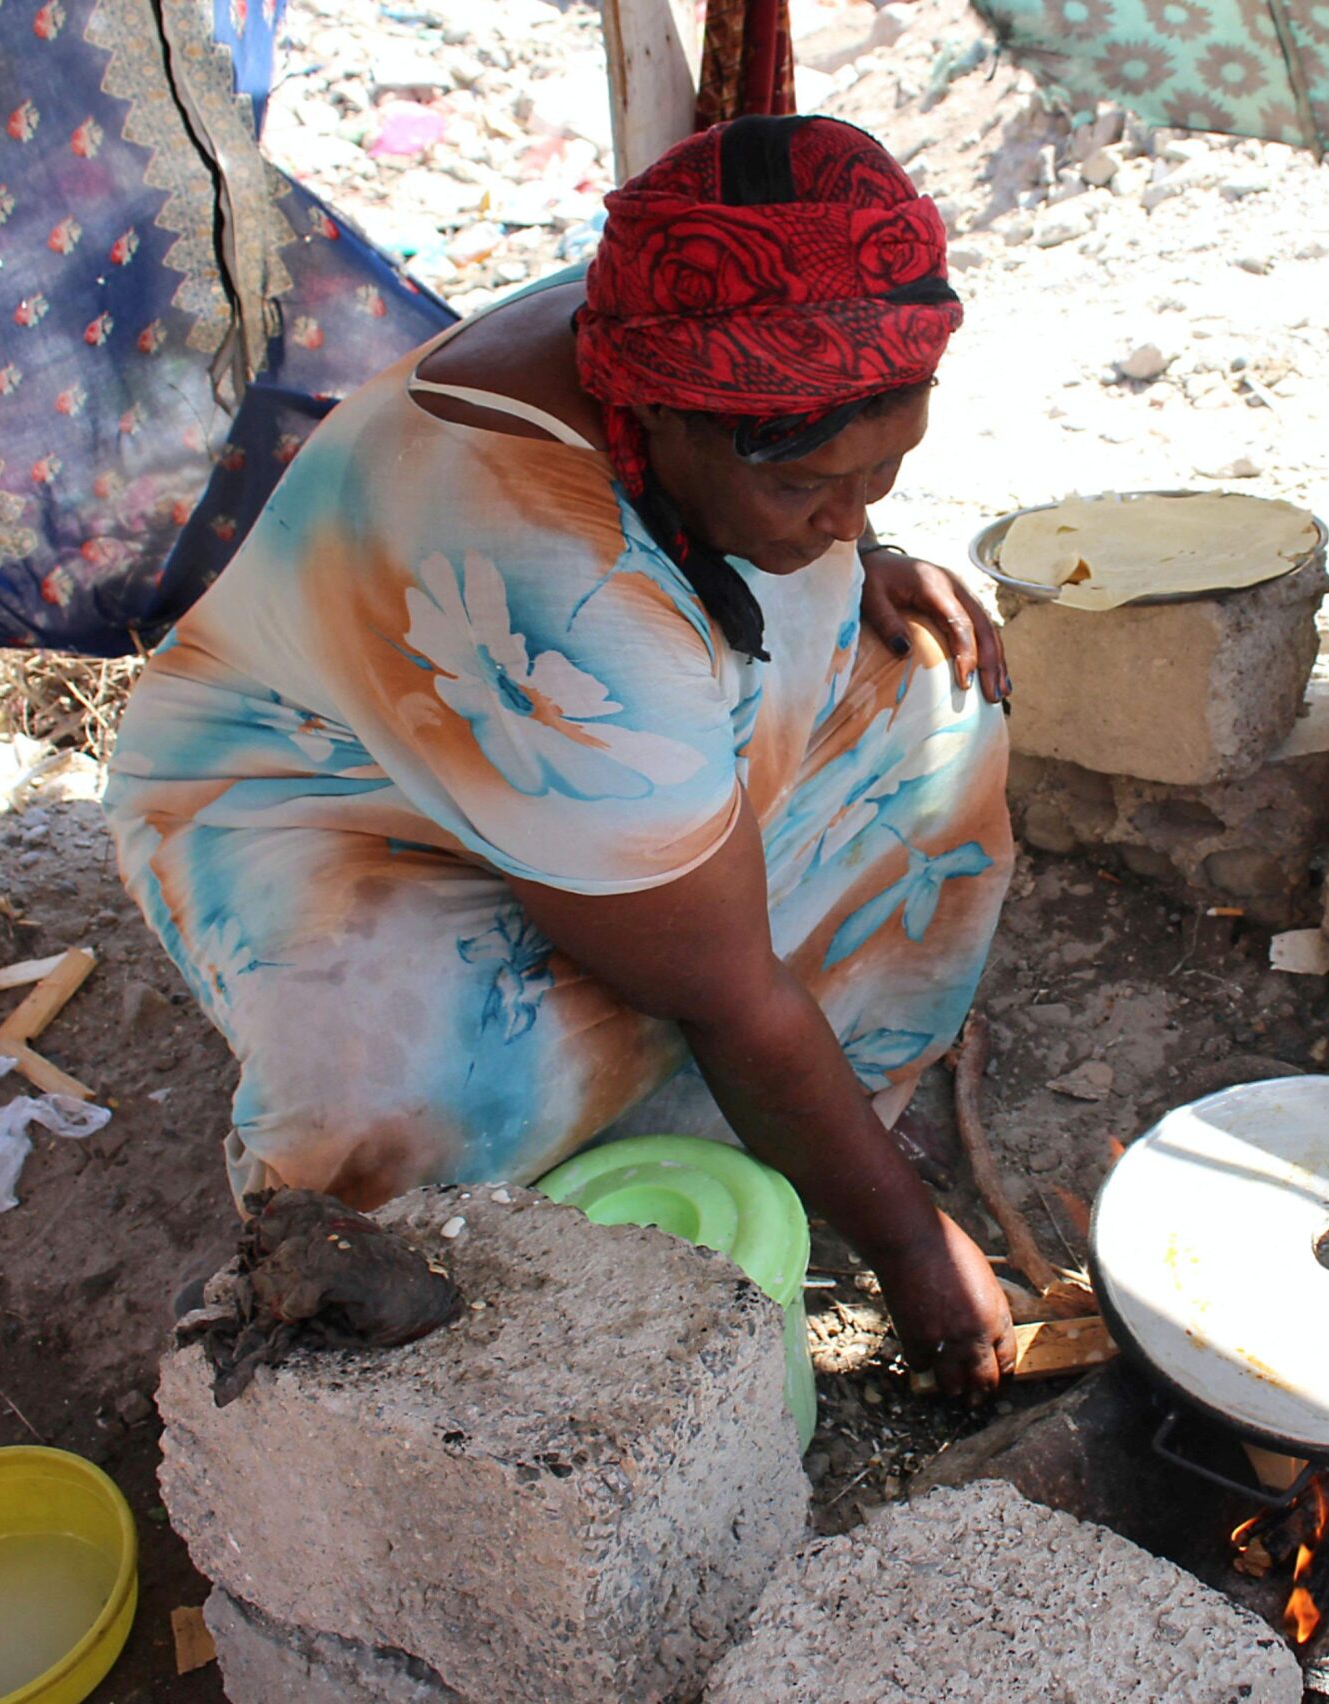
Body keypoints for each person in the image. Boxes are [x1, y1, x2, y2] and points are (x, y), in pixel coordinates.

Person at [104, 115, 1021, 1392]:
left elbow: (796, 479)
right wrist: (912, 1251)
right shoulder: (560, 581)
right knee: (404, 1110)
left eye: (884, 469)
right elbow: (728, 993)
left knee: (938, 701)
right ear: (673, 420)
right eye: (817, 481)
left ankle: (761, 1130)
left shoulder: (677, 315)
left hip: (578, 742)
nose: (849, 515)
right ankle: (635, 1177)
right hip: (331, 799)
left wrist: (856, 547)